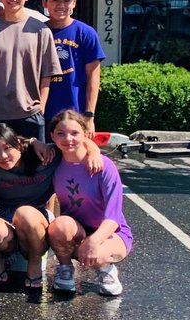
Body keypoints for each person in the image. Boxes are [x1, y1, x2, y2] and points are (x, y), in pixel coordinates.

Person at [0, 122, 99, 288]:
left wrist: (94, 153)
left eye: (7, 148)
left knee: (25, 213)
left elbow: (77, 143)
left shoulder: (44, 155)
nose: (3, 156)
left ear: (18, 144)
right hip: (5, 214)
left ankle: (34, 261)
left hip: (37, 216)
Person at [46, 110, 131, 296]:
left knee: (97, 253)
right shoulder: (54, 163)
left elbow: (113, 217)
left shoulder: (103, 166)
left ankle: (106, 270)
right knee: (58, 226)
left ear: (85, 134)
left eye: (74, 133)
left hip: (110, 231)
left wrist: (94, 240)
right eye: (61, 133)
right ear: (52, 136)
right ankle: (65, 268)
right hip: (76, 229)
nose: (68, 139)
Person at [0, 0, 62, 141]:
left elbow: (47, 73)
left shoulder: (41, 30)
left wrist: (41, 106)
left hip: (30, 113)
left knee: (33, 157)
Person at [43, 0, 105, 125]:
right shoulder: (38, 31)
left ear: (74, 3)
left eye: (66, 0)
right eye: (55, 0)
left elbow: (93, 77)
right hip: (41, 113)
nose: (61, 5)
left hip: (76, 114)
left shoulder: (86, 33)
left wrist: (89, 115)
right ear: (45, 3)